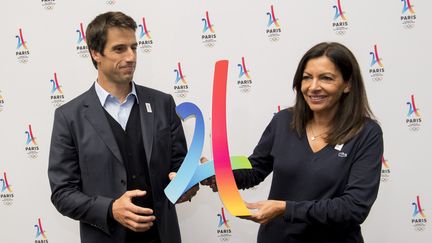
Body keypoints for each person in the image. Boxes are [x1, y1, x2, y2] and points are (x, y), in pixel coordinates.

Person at [203, 42, 383, 243]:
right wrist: (218, 173)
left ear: (347, 84)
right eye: (307, 78)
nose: (313, 87)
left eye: (326, 78)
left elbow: (354, 208)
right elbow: (255, 170)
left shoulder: (366, 133)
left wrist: (285, 209)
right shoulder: (283, 121)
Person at [48, 11, 197, 243]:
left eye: (134, 47)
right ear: (95, 53)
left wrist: (185, 184)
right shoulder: (69, 117)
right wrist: (110, 209)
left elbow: (180, 166)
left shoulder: (162, 103)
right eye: (119, 49)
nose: (131, 57)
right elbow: (62, 193)